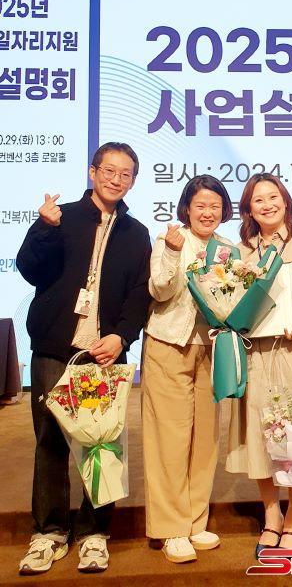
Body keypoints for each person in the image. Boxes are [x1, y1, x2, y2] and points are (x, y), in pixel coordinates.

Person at [16, 142, 152, 574]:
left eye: (125, 173)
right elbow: (29, 269)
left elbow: (139, 295)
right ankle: (50, 532)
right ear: (93, 172)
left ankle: (94, 533)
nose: (116, 179)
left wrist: (121, 336)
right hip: (55, 349)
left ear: (133, 180)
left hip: (103, 355)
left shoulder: (136, 233)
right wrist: (43, 228)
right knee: (50, 442)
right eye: (109, 170)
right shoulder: (62, 218)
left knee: (102, 444)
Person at [226, 173, 292, 557]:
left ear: (286, 201)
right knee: (262, 434)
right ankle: (271, 514)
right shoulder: (241, 252)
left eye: (273, 197)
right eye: (258, 200)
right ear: (249, 209)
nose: (267, 204)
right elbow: (232, 306)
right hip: (256, 354)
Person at [141, 175, 233, 563]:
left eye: (215, 206)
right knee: (169, 437)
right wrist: (173, 253)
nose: (207, 212)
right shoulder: (170, 240)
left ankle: (195, 520)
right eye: (200, 206)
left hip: (211, 349)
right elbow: (160, 291)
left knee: (205, 438)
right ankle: (171, 528)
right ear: (187, 209)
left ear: (223, 210)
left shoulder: (228, 249)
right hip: (169, 345)